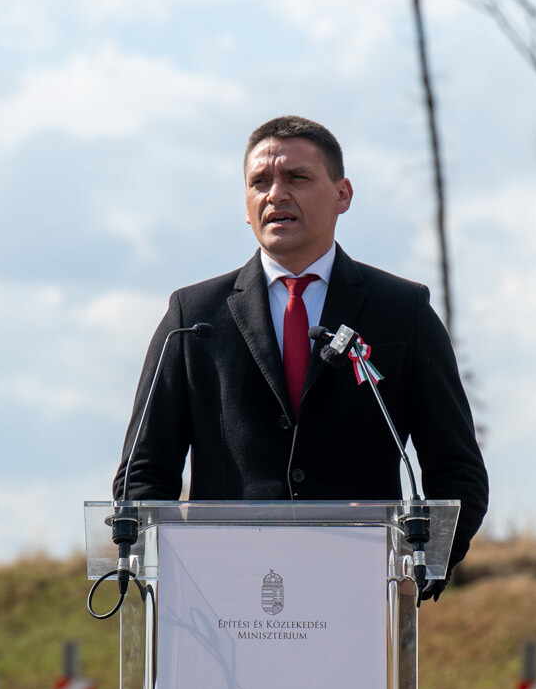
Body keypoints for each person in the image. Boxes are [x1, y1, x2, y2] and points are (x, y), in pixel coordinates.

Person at [115, 115, 487, 592]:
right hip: (224, 598)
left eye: (297, 178)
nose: (276, 194)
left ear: (342, 195)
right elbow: (143, 474)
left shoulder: (402, 311)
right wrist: (169, 581)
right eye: (260, 182)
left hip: (361, 594)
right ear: (246, 205)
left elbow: (456, 471)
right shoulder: (193, 317)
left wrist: (420, 568)